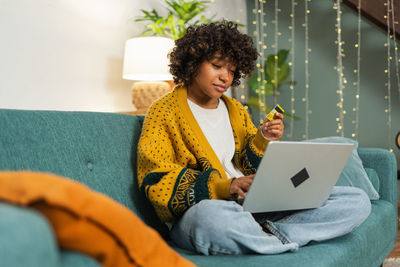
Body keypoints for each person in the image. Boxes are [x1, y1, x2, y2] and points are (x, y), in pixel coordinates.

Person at [137, 20, 371, 255]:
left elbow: (251, 166)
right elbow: (156, 179)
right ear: (193, 61)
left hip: (253, 208)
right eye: (217, 65)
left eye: (231, 70)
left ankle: (269, 236)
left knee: (356, 200)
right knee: (209, 219)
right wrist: (225, 186)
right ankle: (277, 235)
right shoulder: (163, 111)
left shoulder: (236, 109)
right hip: (207, 211)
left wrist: (263, 139)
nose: (225, 78)